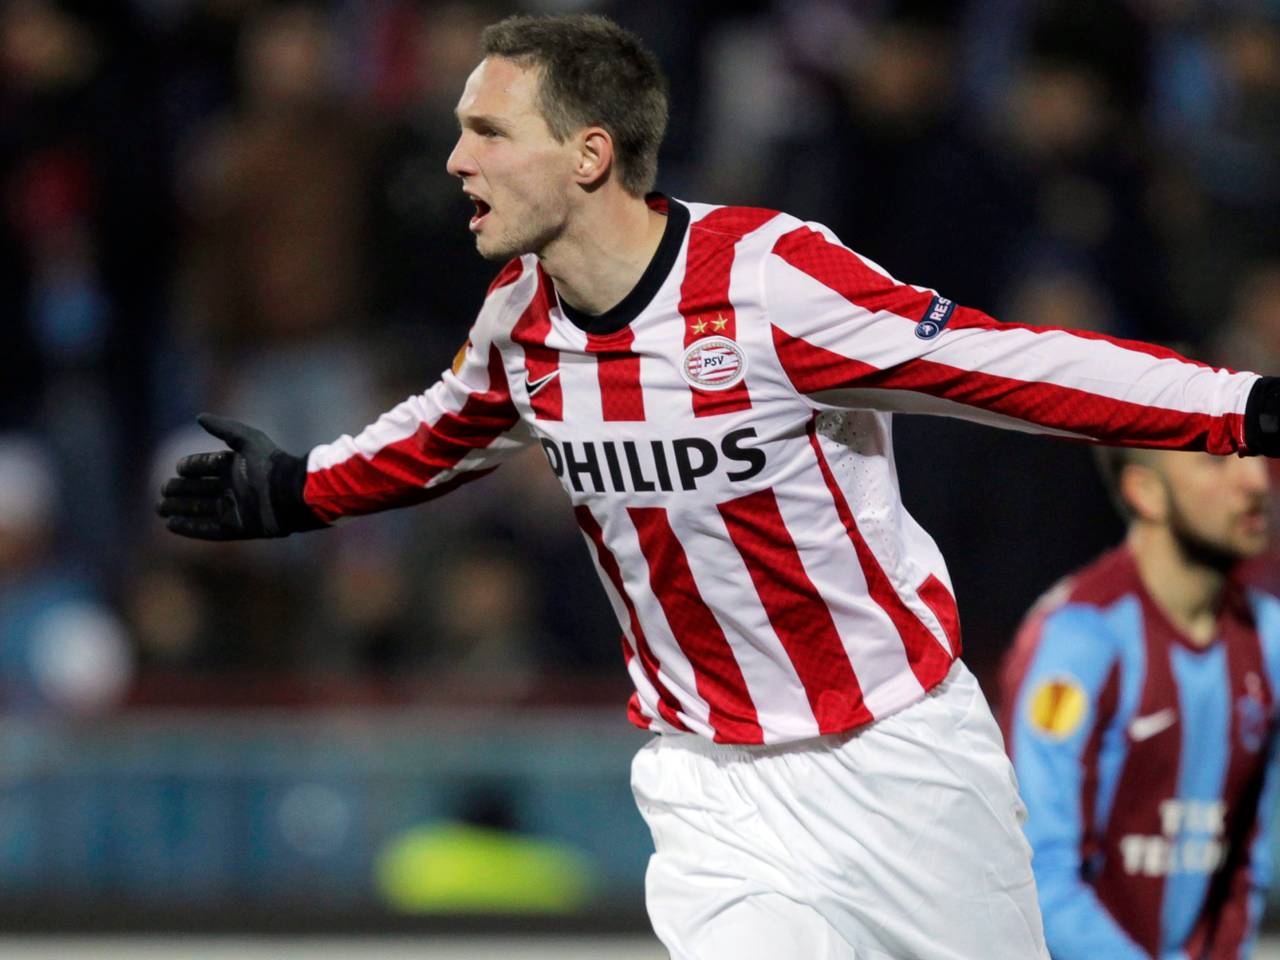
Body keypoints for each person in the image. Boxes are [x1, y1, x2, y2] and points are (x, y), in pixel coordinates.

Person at [156, 13, 1280, 958]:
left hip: (897, 761)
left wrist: (1240, 407)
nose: (455, 160)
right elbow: (435, 435)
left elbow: (1011, 366)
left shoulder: (770, 284)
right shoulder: (519, 322)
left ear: (588, 154)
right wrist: (294, 488)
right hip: (710, 784)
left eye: (487, 131)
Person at [1000, 446, 1280, 959]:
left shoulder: (1267, 638)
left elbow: (1252, 861)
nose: (1258, 480)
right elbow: (1039, 878)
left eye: (1256, 455)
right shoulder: (1079, 641)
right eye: (1219, 459)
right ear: (1145, 491)